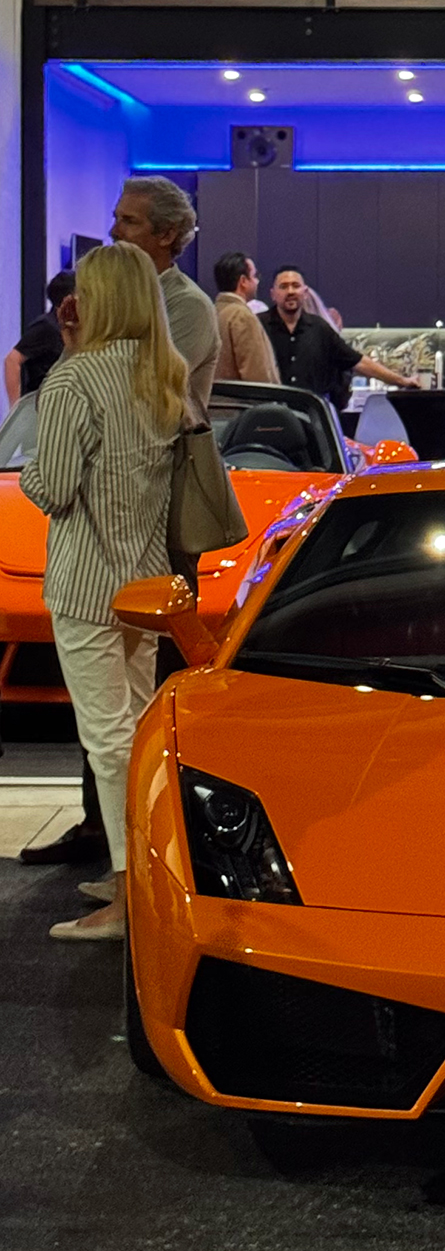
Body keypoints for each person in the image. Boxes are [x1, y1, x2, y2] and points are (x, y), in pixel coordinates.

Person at [19, 241, 189, 940]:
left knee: (108, 741)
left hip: (86, 582)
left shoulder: (73, 381)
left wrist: (33, 465)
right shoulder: (164, 374)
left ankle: (126, 898)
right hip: (144, 580)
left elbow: (51, 488)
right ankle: (146, 878)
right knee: (139, 732)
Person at [109, 178, 219, 418]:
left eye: (129, 221)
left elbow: (144, 393)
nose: (114, 232)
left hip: (158, 441)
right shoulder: (111, 298)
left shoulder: (189, 305)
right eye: (116, 219)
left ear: (167, 234)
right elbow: (60, 388)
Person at [261, 266, 419, 406]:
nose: (290, 291)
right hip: (270, 415)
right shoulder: (258, 326)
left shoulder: (320, 328)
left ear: (305, 293)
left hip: (311, 417)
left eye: (296, 286)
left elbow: (358, 362)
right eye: (283, 286)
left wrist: (402, 381)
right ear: (273, 294)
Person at [4, 270, 75, 406]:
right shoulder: (46, 326)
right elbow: (12, 360)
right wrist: (16, 409)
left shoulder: (70, 329)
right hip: (42, 406)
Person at [212, 251, 280, 384]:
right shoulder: (241, 316)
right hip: (241, 397)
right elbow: (256, 376)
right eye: (254, 276)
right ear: (243, 281)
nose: (257, 281)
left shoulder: (212, 312)